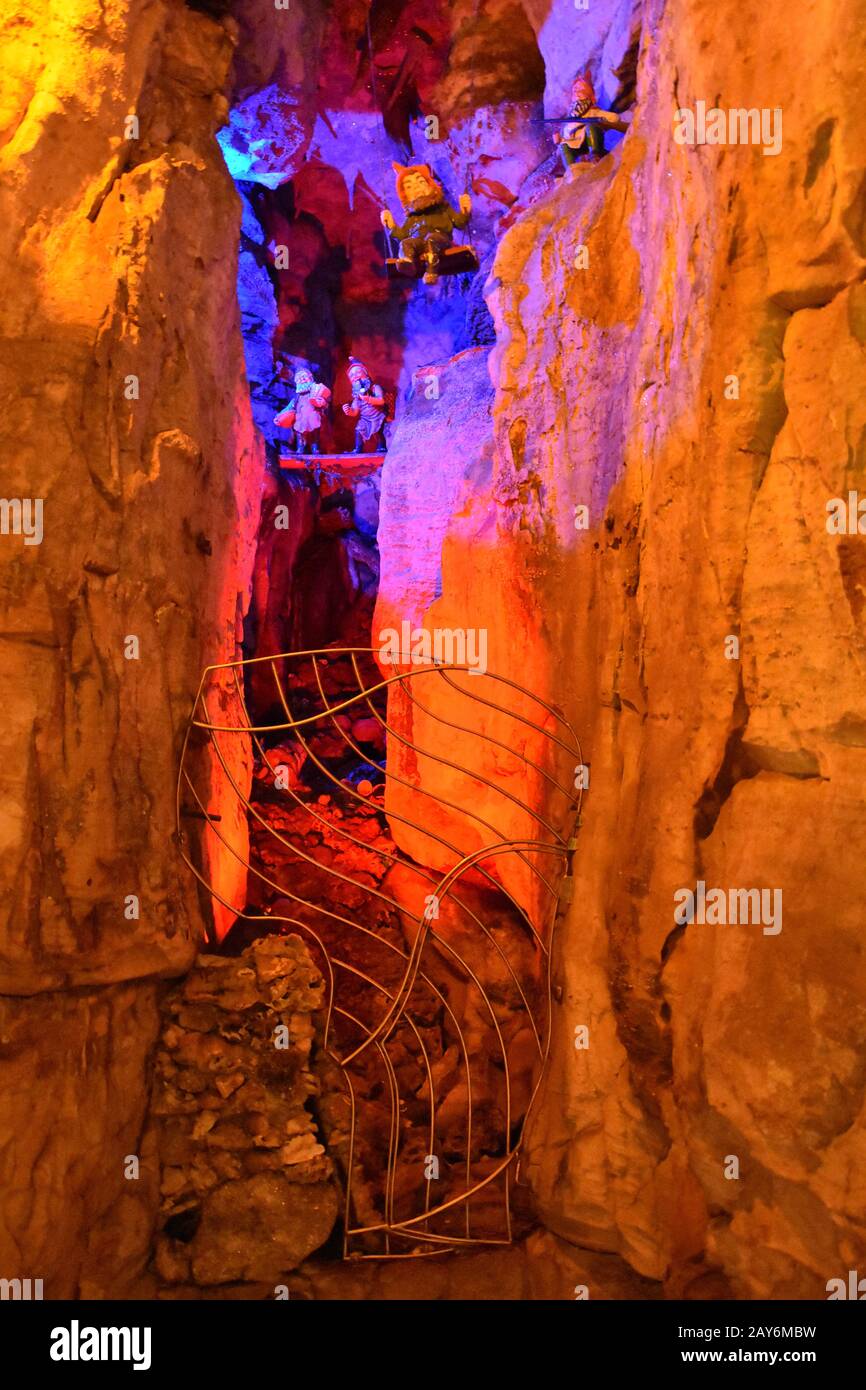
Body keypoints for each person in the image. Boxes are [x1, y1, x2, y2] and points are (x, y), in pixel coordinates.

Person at [380, 162, 472, 285]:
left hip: (439, 239)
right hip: (419, 243)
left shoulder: (442, 208)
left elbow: (459, 223)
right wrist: (391, 225)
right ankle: (408, 263)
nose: (417, 188)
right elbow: (402, 235)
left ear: (430, 185)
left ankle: (431, 271)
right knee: (405, 243)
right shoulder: (412, 217)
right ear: (405, 195)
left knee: (431, 239)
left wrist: (465, 211)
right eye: (409, 186)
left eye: (421, 182)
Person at [554, 71, 631, 173]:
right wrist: (559, 140)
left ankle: (595, 155)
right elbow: (565, 136)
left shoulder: (593, 112)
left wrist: (602, 121)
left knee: (591, 126)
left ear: (590, 96)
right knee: (564, 146)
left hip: (590, 141)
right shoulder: (569, 120)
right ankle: (571, 170)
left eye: (581, 90)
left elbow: (614, 118)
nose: (577, 92)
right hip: (575, 144)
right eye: (575, 90)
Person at [273, 367, 331, 455]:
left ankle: (315, 449)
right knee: (300, 434)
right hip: (301, 418)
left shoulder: (315, 391)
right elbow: (289, 407)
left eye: (304, 377)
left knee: (314, 434)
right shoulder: (297, 397)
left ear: (310, 378)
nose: (302, 379)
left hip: (313, 417)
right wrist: (279, 416)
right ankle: (300, 448)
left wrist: (322, 402)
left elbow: (325, 402)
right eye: (299, 378)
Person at [342, 358, 387, 453]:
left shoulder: (375, 387)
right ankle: (358, 448)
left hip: (377, 415)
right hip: (365, 418)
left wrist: (369, 399)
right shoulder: (356, 396)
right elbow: (355, 411)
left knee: (377, 431)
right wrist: (349, 410)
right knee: (358, 430)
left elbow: (381, 401)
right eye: (352, 376)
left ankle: (381, 446)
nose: (355, 376)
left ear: (366, 374)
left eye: (358, 372)